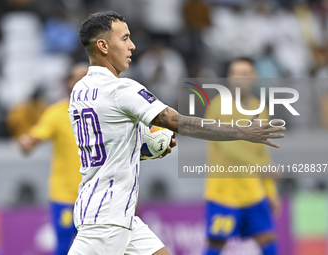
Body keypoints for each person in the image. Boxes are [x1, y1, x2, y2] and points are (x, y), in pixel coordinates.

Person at [67, 11, 285, 255]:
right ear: (103, 46)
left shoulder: (79, 91)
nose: (132, 45)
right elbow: (180, 123)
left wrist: (145, 148)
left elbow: (107, 145)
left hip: (116, 213)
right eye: (125, 38)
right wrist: (241, 132)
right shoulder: (122, 90)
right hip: (107, 218)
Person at [203, 57, 279, 255]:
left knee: (268, 241)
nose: (239, 78)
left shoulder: (260, 109)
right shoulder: (218, 106)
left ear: (254, 77)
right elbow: (228, 146)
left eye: (244, 74)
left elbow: (263, 150)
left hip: (253, 192)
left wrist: (271, 192)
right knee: (215, 246)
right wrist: (259, 165)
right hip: (223, 193)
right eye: (235, 73)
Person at [18, 63, 88, 255]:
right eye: (77, 77)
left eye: (86, 76)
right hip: (65, 194)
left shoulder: (104, 112)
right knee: (64, 246)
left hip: (94, 195)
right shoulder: (56, 113)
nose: (82, 81)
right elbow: (37, 135)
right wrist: (28, 142)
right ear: (67, 83)